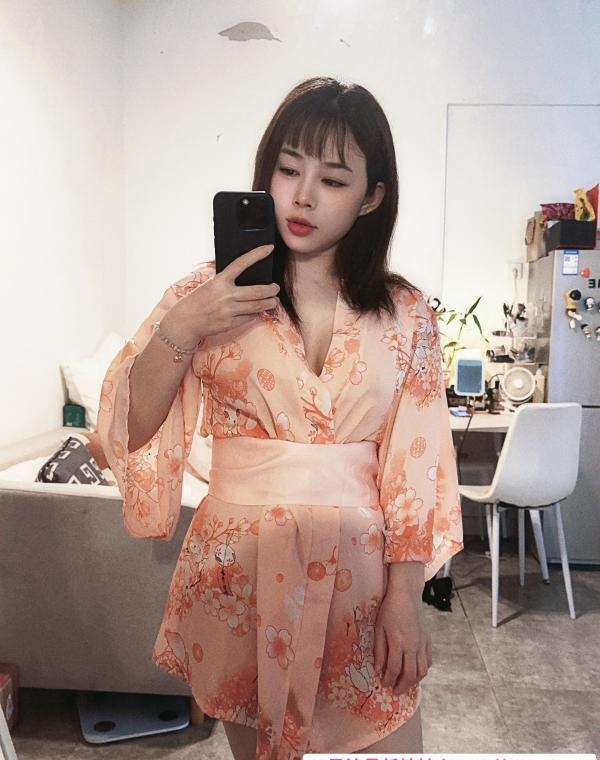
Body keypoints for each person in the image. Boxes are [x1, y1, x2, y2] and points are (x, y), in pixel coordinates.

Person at [97, 76, 463, 760]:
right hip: (238, 575)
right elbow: (130, 426)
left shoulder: (405, 312)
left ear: (371, 197)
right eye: (289, 169)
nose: (303, 195)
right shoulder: (203, 294)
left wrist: (406, 599)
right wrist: (184, 326)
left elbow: (417, 462)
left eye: (333, 179)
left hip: (361, 583)